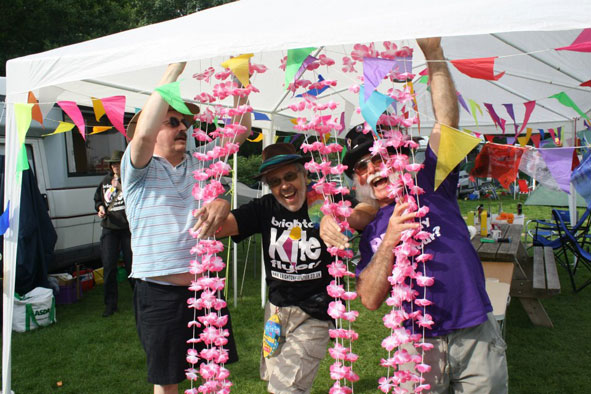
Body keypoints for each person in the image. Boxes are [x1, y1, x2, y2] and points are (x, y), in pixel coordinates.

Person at [320, 37, 508, 393]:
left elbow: (446, 122)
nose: (372, 170)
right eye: (361, 166)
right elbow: (371, 299)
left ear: (399, 155)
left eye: (378, 157)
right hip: (414, 346)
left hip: (474, 334)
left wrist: (433, 53)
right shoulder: (371, 227)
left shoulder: (430, 181)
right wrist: (389, 238)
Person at [194, 143, 372, 394]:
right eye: (275, 181)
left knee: (285, 389)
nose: (284, 186)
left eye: (290, 176)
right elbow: (219, 228)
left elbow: (368, 210)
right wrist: (221, 205)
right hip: (276, 313)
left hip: (315, 312)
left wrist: (341, 217)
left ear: (305, 175)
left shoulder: (327, 201)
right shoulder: (265, 207)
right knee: (276, 381)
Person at [121, 62, 249, 394]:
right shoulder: (137, 169)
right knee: (167, 381)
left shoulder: (203, 164)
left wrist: (240, 72)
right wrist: (176, 66)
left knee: (213, 374)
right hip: (158, 291)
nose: (183, 128)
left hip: (205, 288)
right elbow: (144, 134)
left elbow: (241, 129)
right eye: (173, 121)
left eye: (185, 123)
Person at [93, 149, 133, 317]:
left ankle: (139, 300)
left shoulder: (131, 177)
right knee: (109, 267)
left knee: (133, 267)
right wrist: (100, 208)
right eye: (113, 164)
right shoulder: (105, 181)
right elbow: (98, 199)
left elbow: (136, 196)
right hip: (109, 228)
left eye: (118, 163)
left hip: (128, 229)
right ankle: (110, 305)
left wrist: (121, 186)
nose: (116, 166)